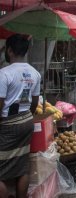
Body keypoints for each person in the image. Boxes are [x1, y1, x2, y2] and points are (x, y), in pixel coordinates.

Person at [0, 34, 41, 198]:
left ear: (9, 50)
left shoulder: (4, 73)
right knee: (22, 167)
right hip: (26, 120)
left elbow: (0, 103)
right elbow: (35, 102)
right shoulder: (35, 73)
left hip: (8, 124)